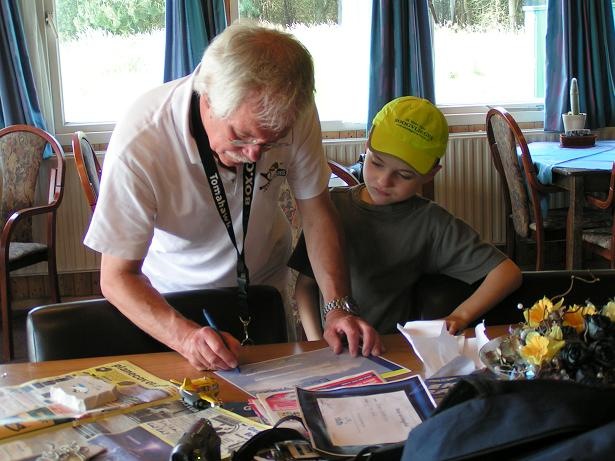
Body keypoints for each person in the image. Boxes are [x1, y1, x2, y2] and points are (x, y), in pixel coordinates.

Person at [84, 22, 381, 371]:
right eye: (241, 137)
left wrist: (337, 307)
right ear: (206, 99)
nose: (255, 155)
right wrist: (186, 337)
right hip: (175, 299)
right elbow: (116, 277)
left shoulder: (290, 111)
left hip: (263, 291)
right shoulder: (142, 141)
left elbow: (316, 211)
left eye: (270, 142)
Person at [290, 96, 522, 340]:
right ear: (366, 146)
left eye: (404, 175)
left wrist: (460, 315)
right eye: (376, 162)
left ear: (430, 174)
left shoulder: (432, 223)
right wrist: (316, 342)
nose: (384, 181)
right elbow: (305, 287)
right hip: (327, 346)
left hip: (391, 350)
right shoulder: (331, 207)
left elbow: (507, 273)